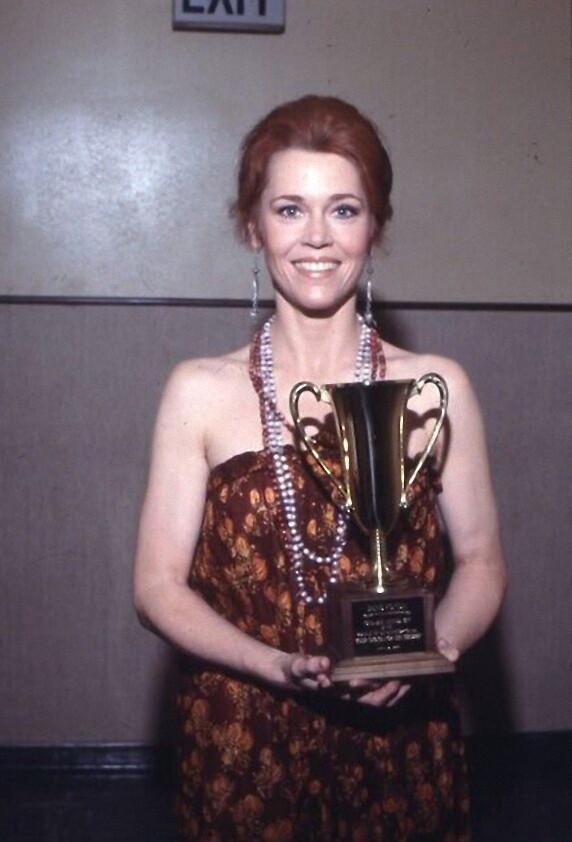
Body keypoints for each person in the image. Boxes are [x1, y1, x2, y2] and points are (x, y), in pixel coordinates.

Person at [133, 95, 507, 841]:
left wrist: (430, 652)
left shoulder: (437, 387)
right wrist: (271, 664)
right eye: (288, 210)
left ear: (376, 227)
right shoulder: (197, 391)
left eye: (343, 210)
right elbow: (156, 587)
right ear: (253, 226)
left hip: (400, 742)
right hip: (246, 742)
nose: (316, 237)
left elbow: (482, 561)